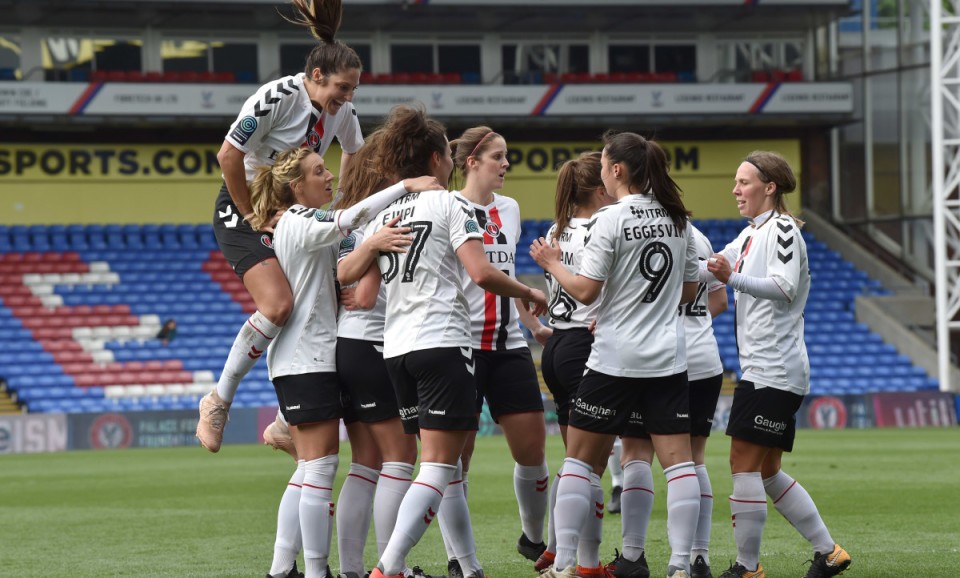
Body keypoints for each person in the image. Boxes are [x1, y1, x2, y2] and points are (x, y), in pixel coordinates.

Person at [345, 104, 546, 578]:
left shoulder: (383, 215)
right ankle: (389, 567)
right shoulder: (451, 205)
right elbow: (481, 273)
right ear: (439, 158)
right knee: (439, 468)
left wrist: (371, 247)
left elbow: (358, 285)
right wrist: (530, 291)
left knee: (441, 465)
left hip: (398, 349)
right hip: (444, 342)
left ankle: (467, 568)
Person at [248, 146, 442, 578]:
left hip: (332, 349)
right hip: (339, 350)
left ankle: (307, 568)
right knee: (385, 460)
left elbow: (341, 266)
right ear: (296, 185)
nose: (330, 175)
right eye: (319, 170)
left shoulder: (310, 222)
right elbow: (362, 284)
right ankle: (381, 569)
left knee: (347, 464)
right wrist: (402, 192)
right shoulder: (316, 220)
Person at [197, 0, 365, 453]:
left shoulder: (343, 113)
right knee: (277, 305)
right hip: (246, 206)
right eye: (343, 88)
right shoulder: (278, 97)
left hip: (293, 215)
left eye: (353, 90)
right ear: (316, 76)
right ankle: (217, 400)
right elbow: (228, 155)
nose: (348, 98)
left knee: (327, 306)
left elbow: (354, 151)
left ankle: (283, 421)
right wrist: (252, 213)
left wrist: (342, 200)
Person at [531, 131, 701, 578]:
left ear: (618, 170)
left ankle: (565, 563)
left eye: (605, 164)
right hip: (667, 358)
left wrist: (552, 264)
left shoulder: (611, 219)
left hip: (614, 358)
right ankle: (679, 566)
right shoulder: (677, 217)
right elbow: (688, 291)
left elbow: (586, 292)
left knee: (579, 461)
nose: (603, 172)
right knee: (679, 465)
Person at [706, 152, 851, 578]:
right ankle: (829, 552)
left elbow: (784, 287)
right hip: (766, 368)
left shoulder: (783, 228)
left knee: (742, 464)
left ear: (769, 187)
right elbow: (711, 266)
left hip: (773, 368)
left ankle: (747, 567)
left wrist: (730, 278)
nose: (735, 190)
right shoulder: (751, 233)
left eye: (744, 182)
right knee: (767, 471)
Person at [445, 126, 550, 573]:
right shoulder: (447, 206)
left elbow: (505, 273)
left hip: (508, 344)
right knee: (456, 460)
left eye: (507, 156)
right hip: (460, 345)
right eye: (498, 156)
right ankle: (458, 559)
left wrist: (531, 322)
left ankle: (533, 538)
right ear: (472, 161)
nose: (506, 164)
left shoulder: (509, 208)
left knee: (533, 450)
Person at [605, 222, 728, 578]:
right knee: (694, 459)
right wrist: (693, 324)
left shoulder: (638, 228)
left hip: (654, 358)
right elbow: (719, 300)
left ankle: (633, 555)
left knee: (635, 453)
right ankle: (696, 558)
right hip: (703, 358)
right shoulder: (700, 236)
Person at [332, 133, 422, 578]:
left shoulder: (348, 219)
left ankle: (352, 569)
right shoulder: (384, 220)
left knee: (365, 462)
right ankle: (392, 568)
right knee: (400, 457)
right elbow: (366, 296)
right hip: (371, 344)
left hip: (346, 346)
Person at [535, 151, 616, 576]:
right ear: (600, 190)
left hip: (557, 345)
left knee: (575, 460)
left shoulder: (557, 229)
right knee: (589, 465)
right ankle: (577, 563)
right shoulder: (602, 228)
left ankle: (561, 552)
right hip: (587, 345)